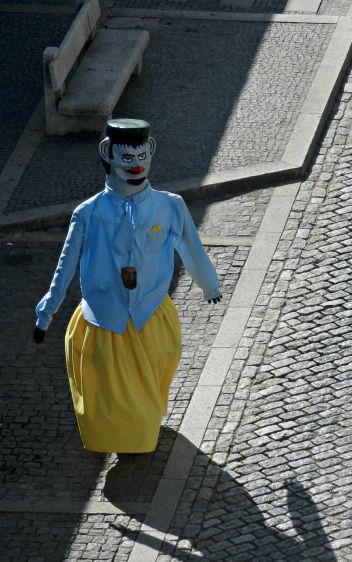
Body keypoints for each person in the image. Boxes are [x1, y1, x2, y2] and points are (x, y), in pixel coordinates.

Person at [33, 118, 222, 454]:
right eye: (126, 158)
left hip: (151, 315)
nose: (135, 166)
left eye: (140, 157)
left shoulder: (169, 206)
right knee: (106, 387)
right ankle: (121, 436)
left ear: (150, 153)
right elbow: (65, 267)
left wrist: (209, 285)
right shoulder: (88, 213)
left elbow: (191, 247)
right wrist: (46, 312)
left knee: (154, 374)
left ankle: (141, 432)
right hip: (103, 318)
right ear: (108, 154)